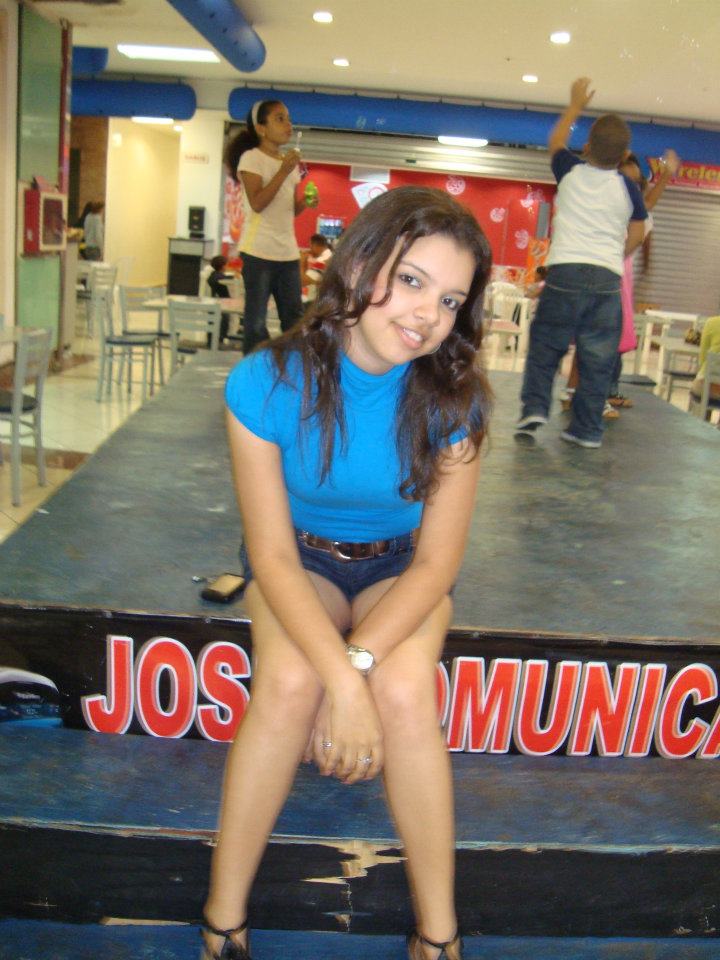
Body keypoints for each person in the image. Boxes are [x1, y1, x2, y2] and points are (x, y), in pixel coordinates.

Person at [202, 186, 493, 960]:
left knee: (406, 691)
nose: (429, 314)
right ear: (360, 266)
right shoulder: (265, 381)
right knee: (289, 682)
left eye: (451, 299)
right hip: (298, 557)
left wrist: (358, 670)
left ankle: (439, 934)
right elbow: (269, 555)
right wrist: (338, 681)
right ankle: (223, 920)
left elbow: (437, 562)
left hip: (399, 565)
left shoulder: (454, 400)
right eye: (412, 281)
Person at [514, 77, 648, 449]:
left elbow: (556, 141)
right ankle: (587, 430)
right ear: (624, 156)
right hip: (606, 280)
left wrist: (575, 105)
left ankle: (534, 408)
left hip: (565, 273)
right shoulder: (628, 187)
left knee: (546, 344)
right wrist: (617, 254)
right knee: (598, 359)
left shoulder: (570, 171)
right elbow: (638, 232)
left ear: (587, 146)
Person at [561, 149, 681, 415]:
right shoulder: (607, 208)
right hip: (602, 280)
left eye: (635, 183)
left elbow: (646, 207)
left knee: (596, 343)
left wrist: (664, 176)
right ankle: (589, 397)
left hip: (614, 281)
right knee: (599, 343)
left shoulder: (630, 213)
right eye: (624, 180)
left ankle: (577, 393)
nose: (631, 188)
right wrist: (666, 175)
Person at [225, 100, 319, 355]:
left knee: (294, 319)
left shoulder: (288, 163)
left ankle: (291, 368)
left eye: (288, 119)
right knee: (256, 322)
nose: (288, 124)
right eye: (279, 118)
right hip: (258, 250)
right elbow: (257, 203)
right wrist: (283, 171)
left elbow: (289, 210)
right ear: (261, 128)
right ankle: (254, 370)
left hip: (287, 251)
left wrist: (305, 201)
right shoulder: (252, 158)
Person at [207, 254, 235, 345]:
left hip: (213, 301)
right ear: (223, 266)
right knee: (225, 318)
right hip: (223, 302)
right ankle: (222, 337)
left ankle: (211, 339)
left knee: (213, 320)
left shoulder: (212, 275)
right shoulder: (219, 276)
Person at [300, 232, 332, 301]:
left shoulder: (324, 260)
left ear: (316, 245)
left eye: (311, 246)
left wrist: (302, 262)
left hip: (312, 300)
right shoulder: (328, 256)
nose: (310, 248)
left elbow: (303, 281)